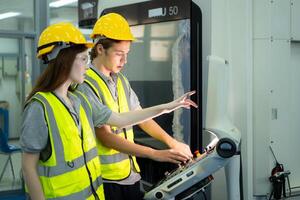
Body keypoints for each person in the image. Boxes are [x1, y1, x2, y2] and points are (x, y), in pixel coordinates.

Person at [21, 22, 197, 200]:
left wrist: (168, 106)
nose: (86, 65)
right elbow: (29, 168)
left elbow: (120, 119)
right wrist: (155, 154)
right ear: (64, 61)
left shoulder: (78, 100)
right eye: (83, 59)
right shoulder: (40, 107)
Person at [76, 13, 195, 200]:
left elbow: (141, 118)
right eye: (118, 54)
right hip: (104, 179)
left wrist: (172, 143)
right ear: (100, 49)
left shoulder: (121, 81)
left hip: (129, 173)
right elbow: (106, 137)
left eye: (127, 54)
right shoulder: (85, 85)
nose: (124, 61)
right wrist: (154, 154)